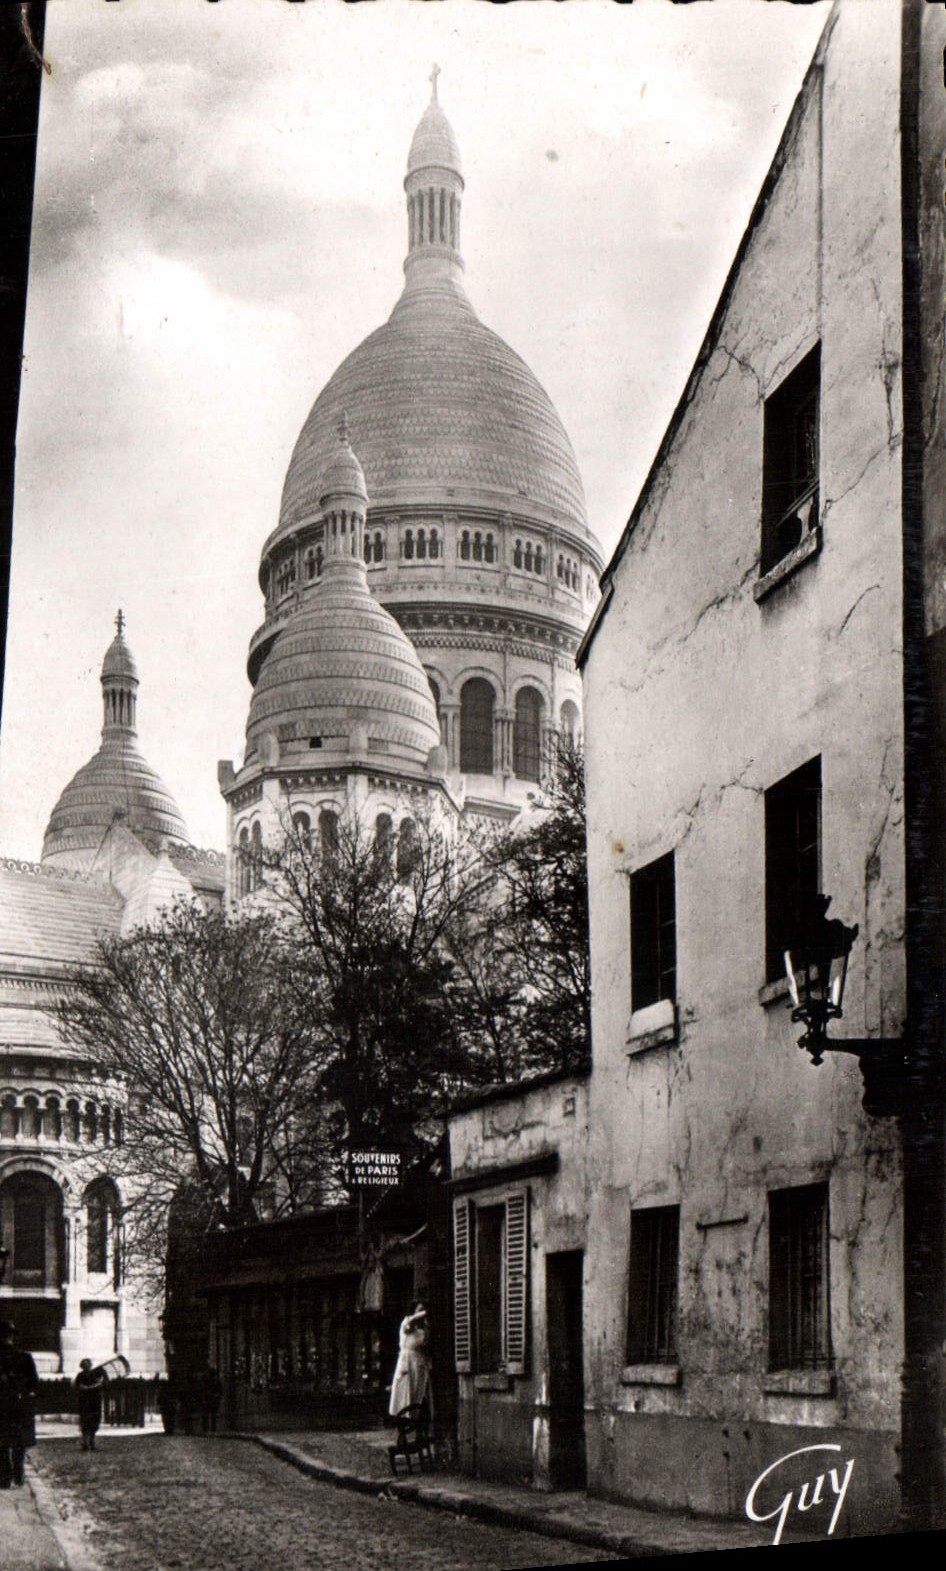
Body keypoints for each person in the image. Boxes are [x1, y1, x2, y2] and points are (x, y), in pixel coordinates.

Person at [0, 1321, 38, 1488]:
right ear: (11, 1336)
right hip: (19, 1403)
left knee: (1, 1442)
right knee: (19, 1441)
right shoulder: (24, 1357)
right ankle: (18, 1474)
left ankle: (4, 1477)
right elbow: (34, 1383)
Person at [388, 1302, 431, 1418]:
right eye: (419, 1310)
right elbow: (409, 1323)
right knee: (404, 1392)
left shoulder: (423, 1330)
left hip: (418, 1362)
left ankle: (417, 1424)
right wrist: (422, 1313)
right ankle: (403, 1424)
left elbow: (425, 1346)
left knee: (419, 1392)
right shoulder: (407, 1324)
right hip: (406, 1361)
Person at [73, 1358, 105, 1451]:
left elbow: (102, 1383)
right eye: (85, 1365)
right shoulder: (80, 1375)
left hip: (94, 1403)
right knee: (85, 1423)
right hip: (85, 1403)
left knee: (93, 1423)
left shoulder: (96, 1373)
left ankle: (91, 1442)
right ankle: (86, 1443)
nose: (87, 1367)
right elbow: (78, 1387)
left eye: (88, 1364)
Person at [200, 1363, 223, 1434]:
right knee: (210, 1414)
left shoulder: (213, 1380)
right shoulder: (214, 1380)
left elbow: (220, 1389)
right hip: (210, 1398)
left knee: (209, 1414)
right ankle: (210, 1428)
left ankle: (207, 1428)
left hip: (210, 1398)